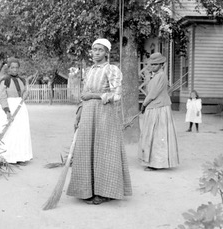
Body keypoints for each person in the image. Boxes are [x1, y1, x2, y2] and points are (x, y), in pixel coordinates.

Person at [66, 38, 132, 205]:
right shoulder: (89, 70)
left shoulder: (111, 70)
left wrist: (94, 96)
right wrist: (79, 113)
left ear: (106, 53)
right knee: (87, 149)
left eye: (100, 50)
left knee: (104, 151)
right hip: (88, 114)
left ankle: (105, 192)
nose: (96, 53)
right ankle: (88, 189)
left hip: (104, 114)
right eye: (94, 49)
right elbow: (84, 95)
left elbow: (117, 95)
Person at [138, 52, 179, 171]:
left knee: (157, 135)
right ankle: (151, 160)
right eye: (152, 64)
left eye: (156, 64)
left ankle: (156, 163)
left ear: (161, 65)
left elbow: (153, 93)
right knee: (151, 134)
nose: (153, 66)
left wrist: (144, 104)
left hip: (159, 108)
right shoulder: (154, 76)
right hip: (153, 107)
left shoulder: (161, 76)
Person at [0, 58, 33, 164]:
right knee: (9, 131)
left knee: (20, 131)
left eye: (16, 67)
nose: (15, 70)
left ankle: (20, 156)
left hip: (21, 108)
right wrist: (7, 112)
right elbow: (2, 97)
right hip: (9, 107)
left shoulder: (22, 80)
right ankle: (6, 157)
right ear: (8, 68)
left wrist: (26, 94)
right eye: (12, 67)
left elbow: (24, 94)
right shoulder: (4, 80)